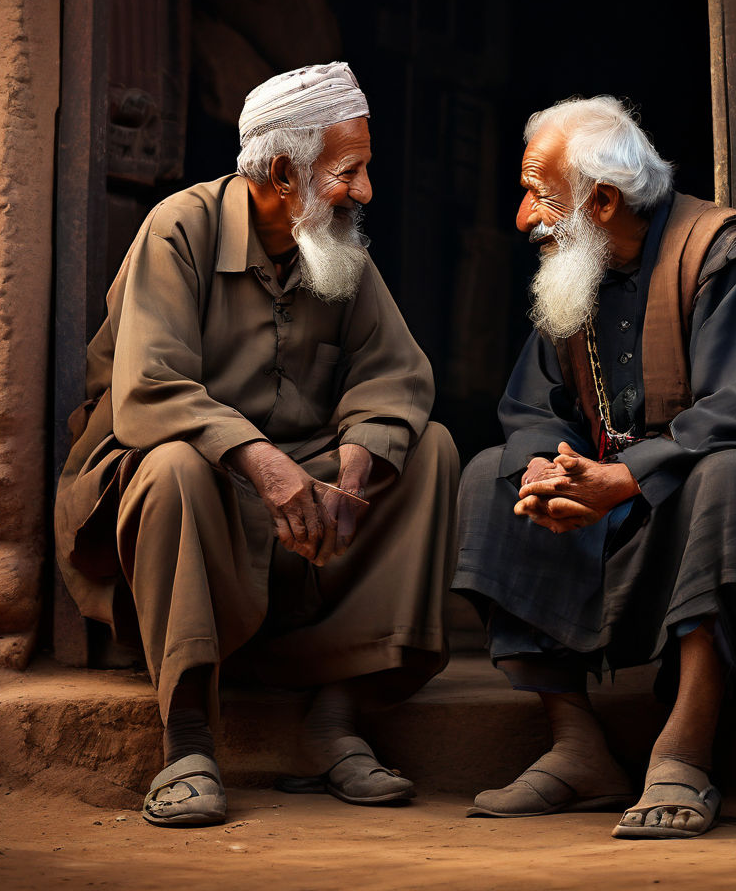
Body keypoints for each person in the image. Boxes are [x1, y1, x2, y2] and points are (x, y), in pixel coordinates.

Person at [452, 95, 736, 839]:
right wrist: (546, 473)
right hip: (633, 487)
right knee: (490, 476)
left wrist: (622, 479)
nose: (524, 217)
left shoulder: (723, 252)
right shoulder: (575, 270)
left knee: (731, 476)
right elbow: (533, 409)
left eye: (538, 193)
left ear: (601, 200)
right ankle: (576, 747)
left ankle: (686, 749)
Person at [55, 62, 458, 826]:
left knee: (428, 450)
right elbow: (151, 389)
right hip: (185, 483)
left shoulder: (334, 247)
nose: (366, 192)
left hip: (296, 496)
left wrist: (355, 460)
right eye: (351, 173)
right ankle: (188, 740)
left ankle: (337, 716)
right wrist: (263, 463)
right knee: (172, 464)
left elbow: (395, 373)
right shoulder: (180, 229)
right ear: (282, 173)